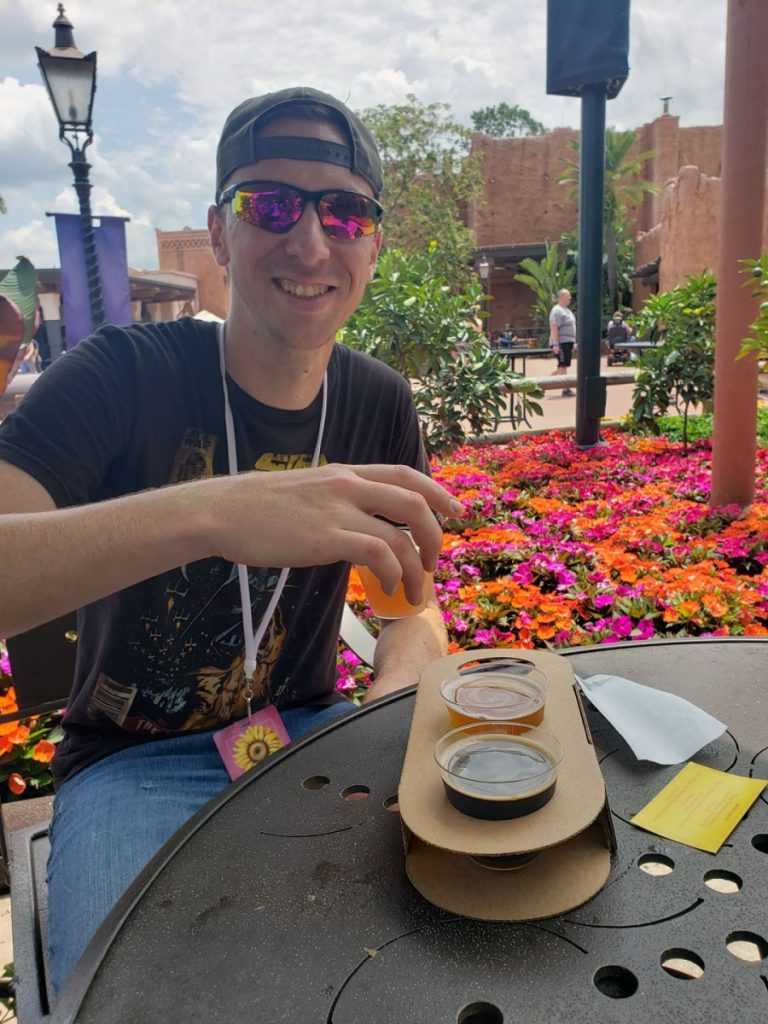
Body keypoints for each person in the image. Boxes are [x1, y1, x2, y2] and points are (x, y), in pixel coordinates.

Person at [0, 86, 463, 996]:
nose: (310, 242)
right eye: (272, 205)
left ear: (374, 240)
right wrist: (216, 512)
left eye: (345, 211)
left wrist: (390, 719)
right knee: (149, 999)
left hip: (318, 737)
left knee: (419, 974)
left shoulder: (377, 402)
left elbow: (413, 613)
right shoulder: (116, 377)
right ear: (218, 232)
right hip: (135, 765)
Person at [548, 288, 576, 396]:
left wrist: (573, 342)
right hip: (561, 342)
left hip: (567, 342)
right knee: (563, 365)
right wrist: (555, 344)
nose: (570, 298)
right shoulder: (557, 310)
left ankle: (543, 383)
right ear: (561, 297)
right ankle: (566, 389)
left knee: (561, 366)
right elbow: (554, 327)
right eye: (567, 296)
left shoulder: (567, 310)